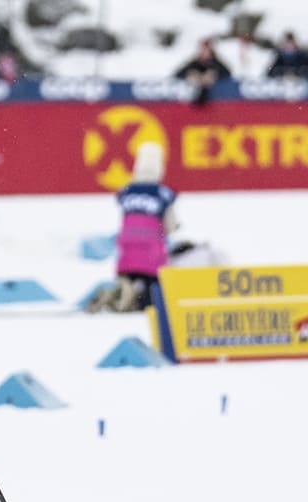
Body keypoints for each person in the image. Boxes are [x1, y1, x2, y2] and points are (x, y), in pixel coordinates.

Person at [88, 142, 179, 313]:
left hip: (127, 247)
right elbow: (170, 225)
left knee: (130, 279)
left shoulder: (127, 191)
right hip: (151, 249)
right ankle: (145, 304)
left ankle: (122, 298)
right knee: (153, 287)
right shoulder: (162, 193)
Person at [173, 38, 230, 106]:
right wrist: (193, 75)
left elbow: (227, 73)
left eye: (206, 50)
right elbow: (178, 74)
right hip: (193, 99)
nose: (204, 52)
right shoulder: (194, 63)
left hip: (215, 100)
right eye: (202, 49)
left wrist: (214, 74)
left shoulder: (216, 63)